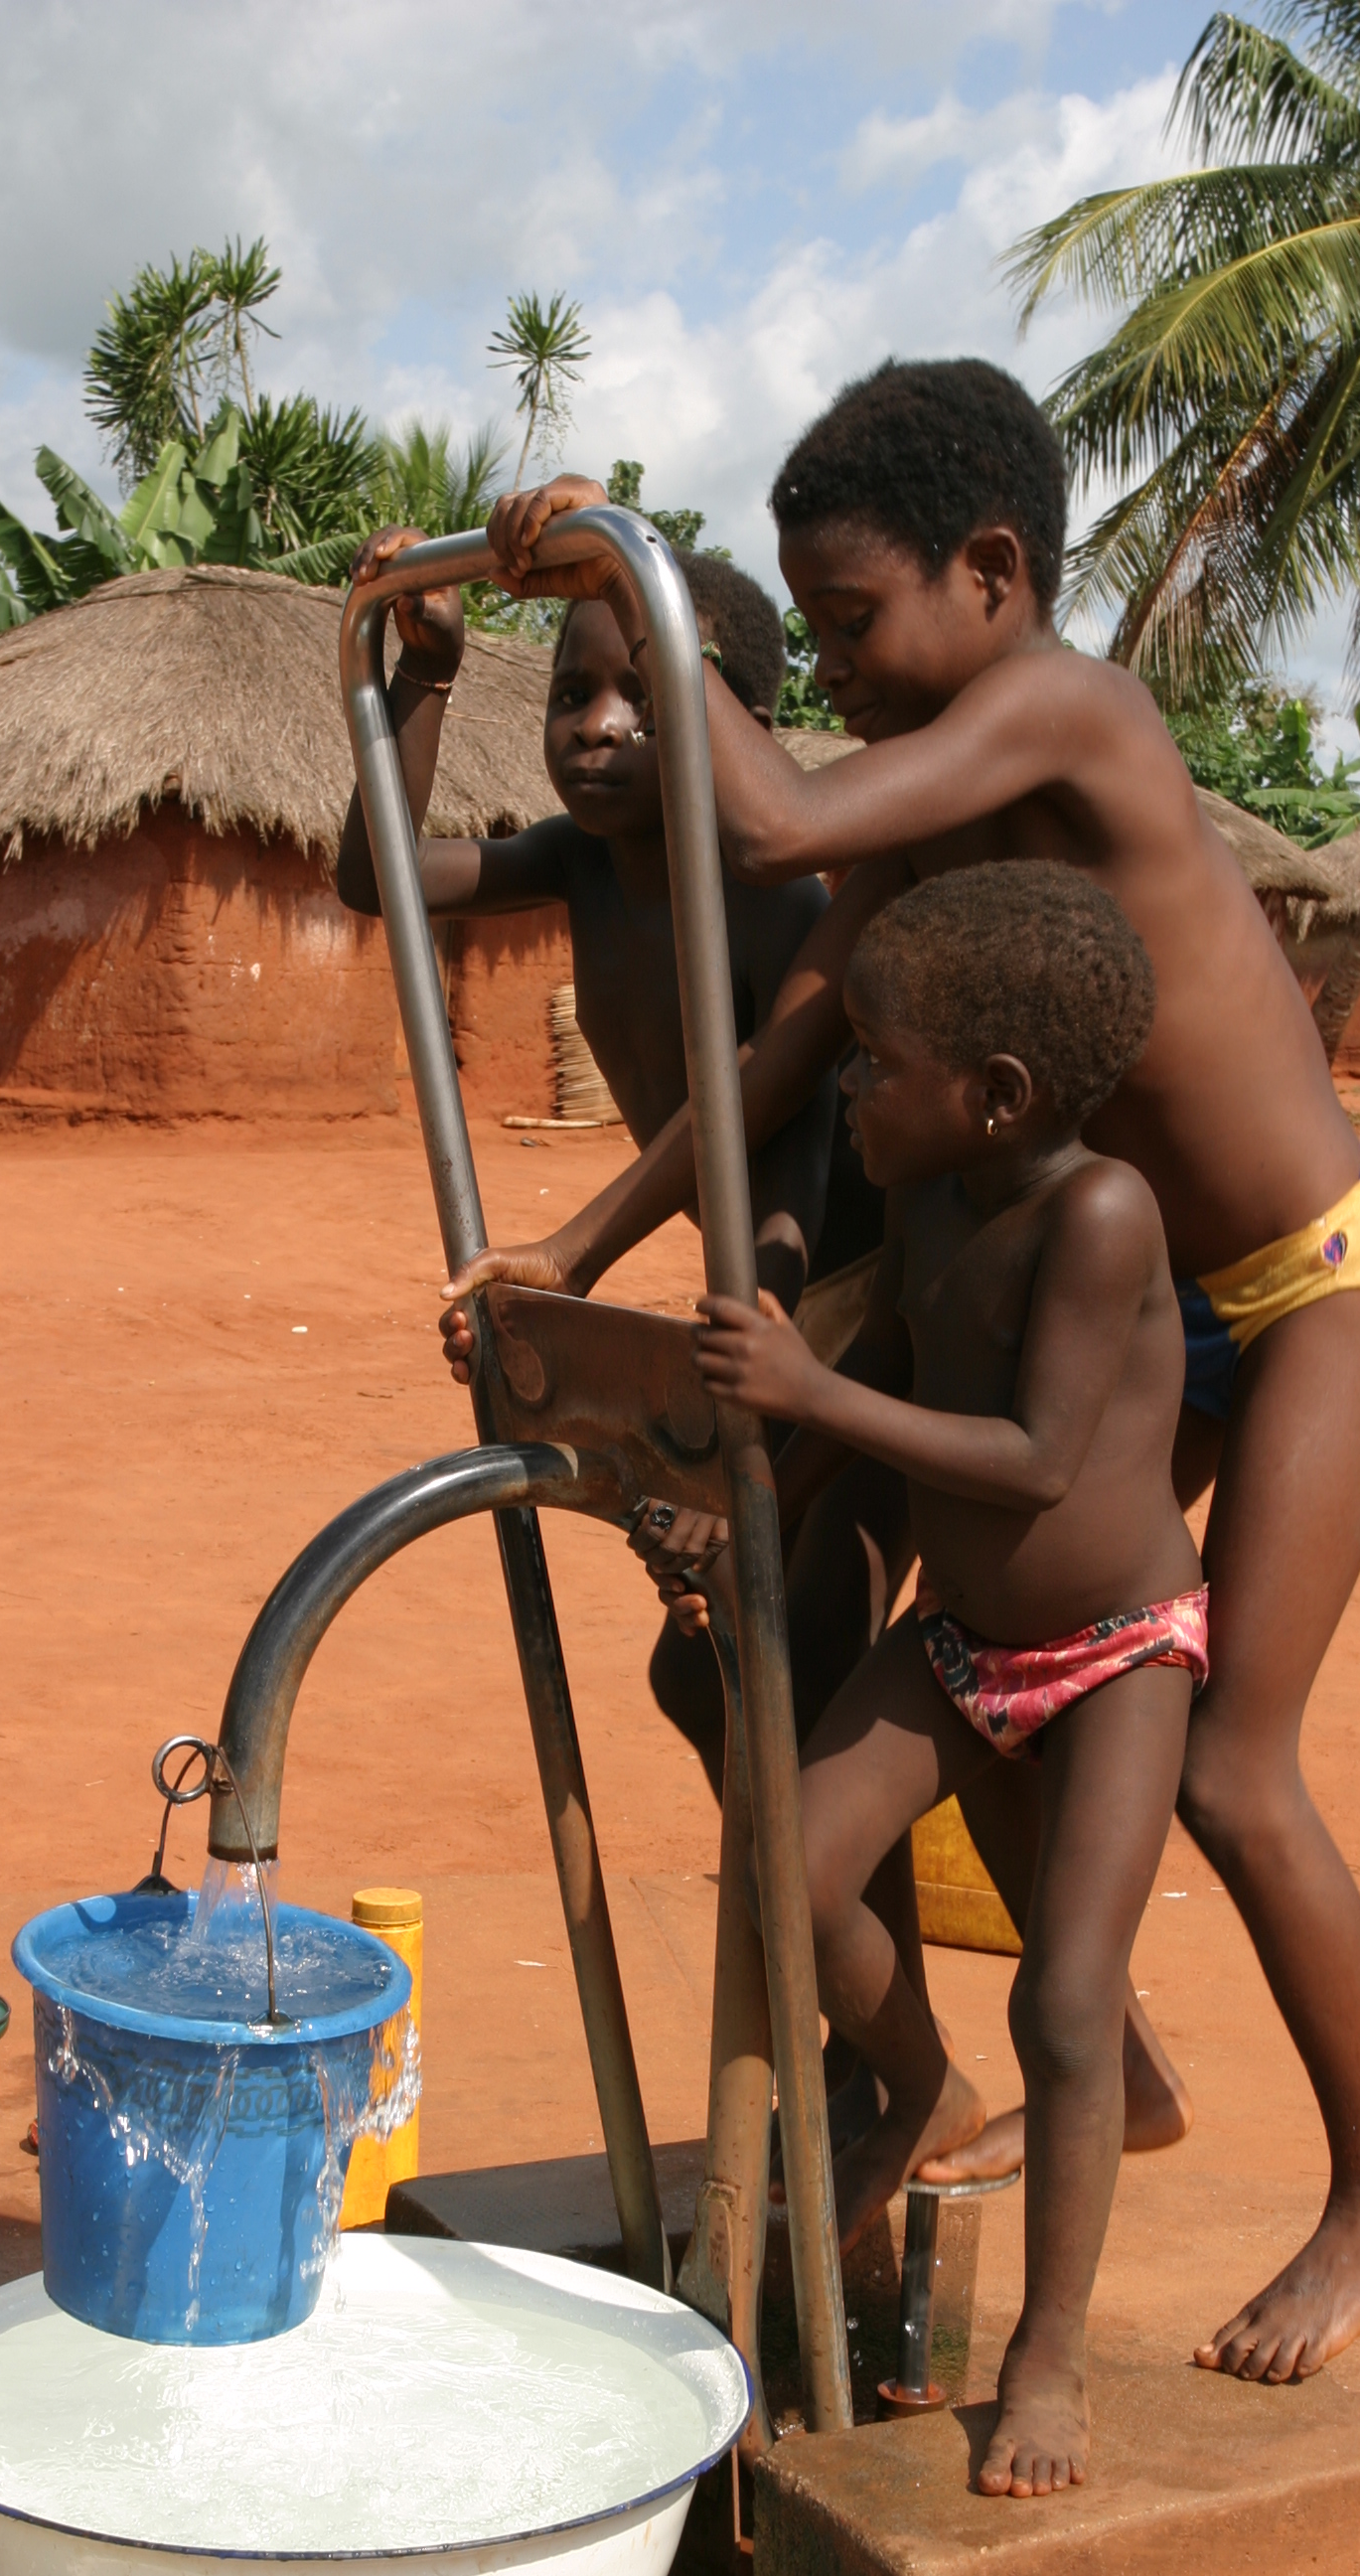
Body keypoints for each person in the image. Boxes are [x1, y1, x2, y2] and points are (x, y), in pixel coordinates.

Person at [453, 359, 1360, 2387]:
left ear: (992, 575)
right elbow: (786, 1053)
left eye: (847, 624)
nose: (832, 665)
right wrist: (569, 1247)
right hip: (1147, 1297)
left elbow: (775, 809)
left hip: (1314, 1279)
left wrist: (638, 571)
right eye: (806, 633)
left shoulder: (1068, 716)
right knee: (997, 1627)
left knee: (1232, 1756)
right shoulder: (934, 804)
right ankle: (1079, 2050)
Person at [660, 863, 1201, 2497]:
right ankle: (913, 2077)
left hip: (1107, 1659)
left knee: (1066, 1992)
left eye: (875, 1063)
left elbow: (1035, 1457)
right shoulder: (928, 1196)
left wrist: (808, 1398)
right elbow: (904, 1358)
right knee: (786, 1867)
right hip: (959, 1644)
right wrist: (751, 1492)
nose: (846, 1084)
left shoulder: (1097, 1213)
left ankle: (1044, 2363)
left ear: (995, 1096)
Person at [336, 530, 901, 1826]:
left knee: (775, 1674)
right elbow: (377, 877)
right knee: (733, 1680)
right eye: (569, 695)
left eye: (642, 701)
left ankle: (829, 1971)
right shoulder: (574, 858)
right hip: (768, 1291)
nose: (595, 729)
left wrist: (749, 1399)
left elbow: (793, 1154)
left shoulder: (767, 902)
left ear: (735, 726)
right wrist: (425, 681)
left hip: (854, 1302)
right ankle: (822, 1977)